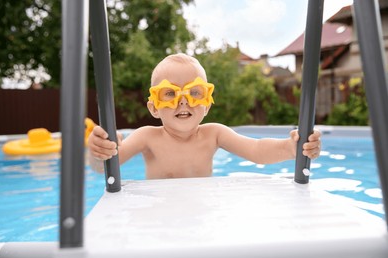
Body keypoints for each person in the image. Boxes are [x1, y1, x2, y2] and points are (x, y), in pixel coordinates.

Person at [88, 53, 321, 179]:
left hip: (202, 212)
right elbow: (105, 168)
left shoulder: (214, 134)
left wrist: (292, 148)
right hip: (158, 215)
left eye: (194, 92)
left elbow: (257, 150)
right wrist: (101, 153)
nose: (183, 100)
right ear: (154, 108)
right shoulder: (147, 137)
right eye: (170, 93)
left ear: (207, 105)